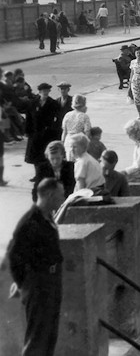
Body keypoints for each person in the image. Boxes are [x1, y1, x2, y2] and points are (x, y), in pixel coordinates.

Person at [6, 178, 65, 356]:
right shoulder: (30, 222)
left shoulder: (47, 217)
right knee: (38, 336)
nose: (62, 199)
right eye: (60, 196)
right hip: (39, 284)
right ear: (48, 195)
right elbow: (14, 254)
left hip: (51, 281)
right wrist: (24, 282)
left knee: (49, 334)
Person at [26, 82, 61, 181]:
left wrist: (54, 130)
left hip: (47, 134)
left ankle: (47, 175)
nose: (45, 93)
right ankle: (37, 175)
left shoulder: (53, 103)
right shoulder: (33, 103)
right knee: (35, 156)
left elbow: (57, 119)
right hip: (35, 133)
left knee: (45, 155)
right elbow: (29, 117)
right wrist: (27, 131)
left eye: (47, 91)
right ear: (39, 92)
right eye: (43, 91)